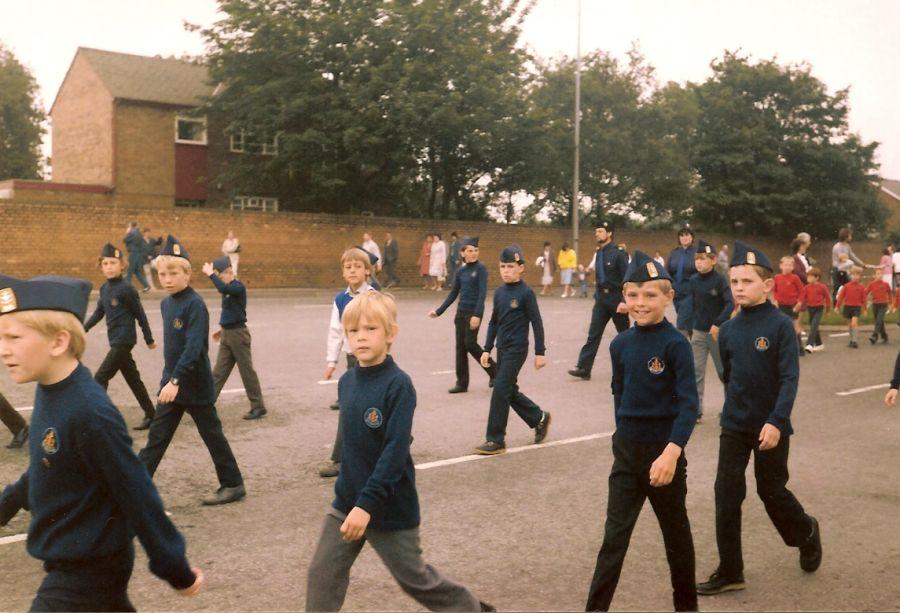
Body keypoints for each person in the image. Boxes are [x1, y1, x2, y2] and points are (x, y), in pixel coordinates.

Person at [0, 273, 203, 610]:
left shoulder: (90, 413)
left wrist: (175, 568)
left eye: (14, 337)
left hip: (89, 570)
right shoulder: (51, 390)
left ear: (58, 342)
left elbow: (137, 492)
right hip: (79, 564)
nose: (3, 350)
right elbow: (48, 464)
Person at [305, 292, 493, 612]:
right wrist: (351, 497)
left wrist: (367, 505)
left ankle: (473, 609)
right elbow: (351, 444)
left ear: (391, 334)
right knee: (322, 573)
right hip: (348, 500)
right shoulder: (347, 382)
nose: (361, 337)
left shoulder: (398, 385)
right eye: (353, 331)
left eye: (370, 329)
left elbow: (394, 452)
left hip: (389, 505)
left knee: (416, 579)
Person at [697, 241, 821, 597]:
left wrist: (776, 421)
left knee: (771, 491)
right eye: (734, 282)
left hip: (771, 425)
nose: (738, 288)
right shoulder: (729, 330)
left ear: (767, 285)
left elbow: (788, 378)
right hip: (735, 424)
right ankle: (731, 570)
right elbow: (730, 375)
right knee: (726, 493)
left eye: (747, 281)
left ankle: (807, 532)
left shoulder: (781, 326)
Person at [585, 250, 699, 612]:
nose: (640, 302)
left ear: (669, 297)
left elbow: (689, 405)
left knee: (676, 538)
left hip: (663, 456)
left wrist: (672, 450)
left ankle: (687, 607)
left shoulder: (675, 344)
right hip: (628, 455)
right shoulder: (620, 344)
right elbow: (619, 394)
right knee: (613, 540)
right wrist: (622, 440)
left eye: (650, 295)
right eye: (633, 294)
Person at [138, 236, 246, 506]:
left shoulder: (194, 304)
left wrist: (175, 380)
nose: (167, 279)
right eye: (162, 274)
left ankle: (233, 484)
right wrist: (169, 380)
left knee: (212, 436)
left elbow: (194, 347)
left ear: (187, 273)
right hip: (172, 383)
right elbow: (173, 349)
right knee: (157, 437)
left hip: (193, 384)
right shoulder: (166, 304)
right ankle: (135, 484)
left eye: (174, 273)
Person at [475, 245, 551, 455]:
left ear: (521, 268)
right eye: (502, 266)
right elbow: (493, 322)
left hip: (518, 349)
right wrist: (486, 349)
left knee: (500, 389)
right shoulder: (499, 293)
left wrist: (540, 352)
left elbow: (537, 323)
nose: (506, 270)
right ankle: (539, 418)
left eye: (510, 266)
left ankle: (495, 439)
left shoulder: (526, 293)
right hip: (502, 347)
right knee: (508, 389)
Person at [84, 243, 157, 430]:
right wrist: (83, 328)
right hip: (115, 340)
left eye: (113, 263)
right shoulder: (104, 289)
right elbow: (99, 312)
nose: (109, 267)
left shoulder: (127, 289)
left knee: (100, 378)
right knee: (133, 379)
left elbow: (140, 314)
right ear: (101, 266)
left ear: (122, 265)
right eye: (105, 263)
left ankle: (101, 419)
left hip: (124, 341)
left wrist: (148, 338)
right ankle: (152, 414)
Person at [320, 248, 377, 478]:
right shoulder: (340, 299)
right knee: (354, 405)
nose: (353, 270)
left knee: (358, 406)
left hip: (372, 360)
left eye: (358, 266)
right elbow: (336, 331)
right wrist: (331, 361)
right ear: (343, 272)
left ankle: (339, 458)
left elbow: (381, 328)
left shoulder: (373, 296)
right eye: (348, 267)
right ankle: (341, 457)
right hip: (352, 359)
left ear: (367, 271)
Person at [429, 236, 496, 394]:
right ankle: (462, 383)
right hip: (461, 313)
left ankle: (495, 372)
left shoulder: (481, 269)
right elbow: (453, 294)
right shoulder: (461, 271)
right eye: (470, 251)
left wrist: (477, 315)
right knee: (460, 348)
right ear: (463, 253)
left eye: (476, 250)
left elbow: (482, 293)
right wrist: (439, 311)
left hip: (473, 313)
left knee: (470, 344)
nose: (474, 253)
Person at [203, 256, 267, 420]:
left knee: (247, 372)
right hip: (227, 333)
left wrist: (211, 275)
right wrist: (221, 328)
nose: (218, 278)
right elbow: (230, 311)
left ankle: (258, 406)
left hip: (238, 335)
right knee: (218, 372)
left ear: (228, 272)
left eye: (219, 275)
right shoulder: (228, 288)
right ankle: (205, 404)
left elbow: (224, 290)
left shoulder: (237, 287)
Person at [568, 222, 630, 381]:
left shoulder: (619, 253)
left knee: (625, 335)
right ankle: (584, 368)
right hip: (601, 299)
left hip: (617, 300)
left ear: (609, 234)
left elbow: (628, 279)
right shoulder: (599, 253)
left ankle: (634, 365)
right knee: (593, 334)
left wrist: (625, 301)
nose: (597, 234)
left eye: (600, 231)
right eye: (596, 231)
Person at [684, 239, 733, 422]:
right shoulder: (694, 280)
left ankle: (731, 406)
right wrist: (689, 326)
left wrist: (719, 323)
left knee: (724, 371)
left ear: (713, 261)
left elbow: (730, 304)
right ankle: (696, 410)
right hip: (698, 332)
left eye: (703, 259)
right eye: (697, 259)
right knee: (696, 371)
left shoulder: (719, 280)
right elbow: (693, 305)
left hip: (717, 333)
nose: (699, 262)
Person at [666, 225, 697, 336]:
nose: (684, 237)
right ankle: (696, 345)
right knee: (688, 322)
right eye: (681, 235)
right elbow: (667, 271)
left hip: (691, 292)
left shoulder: (697, 252)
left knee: (682, 321)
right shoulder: (674, 253)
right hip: (677, 292)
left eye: (687, 235)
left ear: (692, 237)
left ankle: (680, 348)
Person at [772, 256, 805, 353]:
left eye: (790, 265)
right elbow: (774, 290)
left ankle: (799, 347)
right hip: (781, 306)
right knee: (780, 326)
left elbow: (802, 291)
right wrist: (775, 300)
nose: (788, 267)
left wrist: (799, 302)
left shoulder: (795, 278)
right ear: (781, 266)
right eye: (786, 265)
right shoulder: (777, 278)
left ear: (793, 267)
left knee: (795, 326)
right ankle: (781, 347)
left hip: (792, 305)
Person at [795, 267, 831, 353]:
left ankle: (809, 344)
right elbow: (802, 297)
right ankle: (819, 344)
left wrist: (828, 310)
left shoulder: (822, 287)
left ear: (817, 278)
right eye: (808, 276)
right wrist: (799, 303)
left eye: (810, 277)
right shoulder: (807, 287)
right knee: (813, 326)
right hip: (810, 308)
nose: (808, 278)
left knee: (814, 325)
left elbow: (828, 298)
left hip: (819, 308)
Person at [831, 228, 865, 303]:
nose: (851, 237)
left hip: (845, 270)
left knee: (849, 285)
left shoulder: (847, 246)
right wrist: (854, 265)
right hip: (837, 270)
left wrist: (862, 263)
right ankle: (835, 304)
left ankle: (850, 301)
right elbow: (842, 259)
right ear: (846, 236)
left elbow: (852, 256)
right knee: (837, 287)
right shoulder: (837, 246)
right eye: (850, 235)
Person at [836, 266, 865, 348]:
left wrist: (864, 308)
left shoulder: (861, 287)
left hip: (857, 307)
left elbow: (864, 298)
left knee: (854, 323)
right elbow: (841, 296)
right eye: (853, 275)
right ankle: (851, 339)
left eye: (857, 275)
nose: (855, 277)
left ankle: (855, 341)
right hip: (847, 306)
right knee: (849, 325)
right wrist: (837, 306)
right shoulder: (846, 286)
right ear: (850, 275)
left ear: (860, 277)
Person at [123, 221, 151, 292]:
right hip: (139, 254)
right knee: (137, 271)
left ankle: (126, 288)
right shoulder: (139, 233)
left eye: (129, 226)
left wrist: (128, 232)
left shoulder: (133, 233)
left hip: (133, 253)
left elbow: (125, 240)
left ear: (131, 226)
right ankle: (146, 285)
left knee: (129, 270)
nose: (128, 228)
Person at [865, 272, 891, 344]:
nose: (879, 275)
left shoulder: (886, 284)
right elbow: (865, 292)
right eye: (877, 274)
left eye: (880, 274)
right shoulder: (871, 284)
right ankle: (884, 336)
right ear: (874, 276)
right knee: (880, 322)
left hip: (883, 305)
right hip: (875, 305)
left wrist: (890, 303)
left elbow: (889, 293)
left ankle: (874, 336)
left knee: (879, 321)